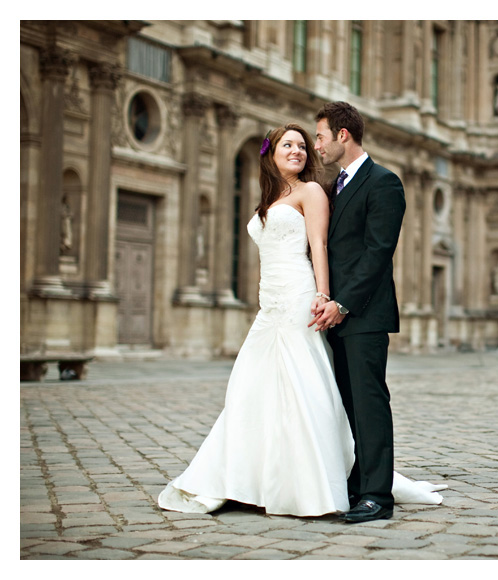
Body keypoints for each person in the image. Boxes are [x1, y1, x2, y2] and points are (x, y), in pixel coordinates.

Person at [158, 123, 444, 518]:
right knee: (254, 388)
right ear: (271, 153)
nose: (300, 150)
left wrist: (326, 296)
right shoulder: (274, 195)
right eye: (288, 145)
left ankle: (323, 484)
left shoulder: (314, 190)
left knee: (303, 385)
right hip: (270, 302)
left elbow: (320, 246)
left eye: (306, 145)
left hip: (299, 297)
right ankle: (252, 478)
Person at [309, 102, 405, 523]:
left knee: (369, 405)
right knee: (348, 405)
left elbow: (377, 253)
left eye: (320, 137)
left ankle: (377, 498)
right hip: (336, 318)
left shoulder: (384, 182)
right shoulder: (335, 187)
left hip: (363, 315)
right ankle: (356, 483)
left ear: (342, 135)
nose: (318, 146)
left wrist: (343, 303)